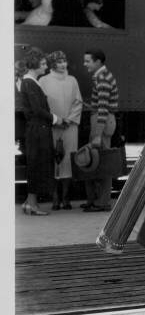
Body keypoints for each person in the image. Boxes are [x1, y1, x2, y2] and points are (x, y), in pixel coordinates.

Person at [19, 48, 62, 215]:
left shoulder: (30, 82)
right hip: (38, 130)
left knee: (35, 164)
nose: (45, 67)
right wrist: (57, 119)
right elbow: (37, 109)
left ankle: (29, 203)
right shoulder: (29, 82)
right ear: (35, 65)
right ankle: (32, 205)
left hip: (37, 129)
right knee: (37, 165)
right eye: (43, 64)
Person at [40, 51, 83, 210]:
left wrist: (69, 120)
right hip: (52, 126)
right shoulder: (43, 80)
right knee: (52, 160)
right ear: (52, 64)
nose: (63, 64)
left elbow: (78, 102)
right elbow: (42, 105)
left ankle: (66, 199)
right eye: (59, 62)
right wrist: (56, 120)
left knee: (68, 162)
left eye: (64, 61)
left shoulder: (72, 80)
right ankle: (55, 199)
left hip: (69, 127)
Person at [82, 48, 119, 212]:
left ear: (98, 62)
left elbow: (103, 109)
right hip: (101, 120)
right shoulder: (102, 76)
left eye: (87, 61)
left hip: (101, 122)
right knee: (99, 161)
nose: (85, 64)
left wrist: (97, 134)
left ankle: (102, 202)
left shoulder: (102, 78)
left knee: (102, 162)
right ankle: (98, 200)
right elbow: (103, 104)